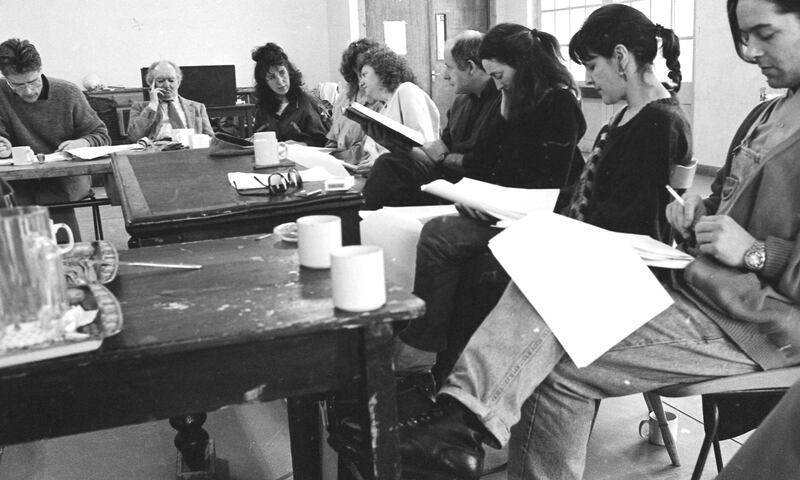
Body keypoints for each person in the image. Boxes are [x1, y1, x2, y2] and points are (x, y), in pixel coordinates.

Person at [397, 1, 800, 479]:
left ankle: (459, 422)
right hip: (702, 288)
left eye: (765, 34)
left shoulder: (668, 119)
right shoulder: (768, 112)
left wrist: (755, 252)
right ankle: (460, 423)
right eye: (743, 37)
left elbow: (752, 245)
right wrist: (700, 213)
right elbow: (726, 202)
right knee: (546, 281)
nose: (750, 51)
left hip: (761, 322)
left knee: (556, 362)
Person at [393, 22, 596, 374]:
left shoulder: (558, 101)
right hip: (506, 206)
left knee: (439, 236)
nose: (496, 83)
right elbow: (486, 160)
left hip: (538, 214)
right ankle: (427, 340)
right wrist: (474, 193)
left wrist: (491, 198)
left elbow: (546, 183)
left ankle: (426, 341)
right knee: (437, 229)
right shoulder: (513, 98)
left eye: (499, 75)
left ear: (523, 66)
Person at [362, 30, 502, 209]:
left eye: (449, 67)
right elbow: (434, 157)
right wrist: (394, 145)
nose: (445, 75)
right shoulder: (461, 102)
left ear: (471, 67)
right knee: (390, 163)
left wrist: (443, 158)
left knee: (387, 169)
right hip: (447, 180)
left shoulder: (501, 102)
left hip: (476, 188)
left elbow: (477, 164)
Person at [0, 38, 110, 241]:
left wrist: (83, 142)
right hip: (20, 178)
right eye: (18, 85)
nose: (29, 91)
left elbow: (102, 135)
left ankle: (67, 259)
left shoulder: (68, 92)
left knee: (51, 197)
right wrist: (3, 146)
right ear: (5, 78)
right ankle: (24, 261)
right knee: (10, 201)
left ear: (41, 69)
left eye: (33, 81)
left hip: (65, 176)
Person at [355, 45, 440, 174]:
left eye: (364, 75)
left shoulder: (406, 91)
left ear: (381, 70)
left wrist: (378, 161)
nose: (361, 83)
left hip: (410, 175)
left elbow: (426, 151)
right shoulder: (383, 109)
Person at [251, 42, 328, 146]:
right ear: (265, 82)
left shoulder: (307, 102)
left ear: (289, 72)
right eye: (272, 77)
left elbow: (325, 141)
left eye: (282, 72)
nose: (280, 81)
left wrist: (302, 145)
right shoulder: (262, 108)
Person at [325, 38, 384, 166]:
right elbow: (333, 140)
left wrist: (334, 158)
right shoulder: (345, 97)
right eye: (359, 71)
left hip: (361, 168)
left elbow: (366, 152)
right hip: (339, 165)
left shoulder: (382, 103)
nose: (363, 79)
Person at [126, 60, 214, 142]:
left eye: (171, 80)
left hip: (189, 151)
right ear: (151, 84)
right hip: (157, 151)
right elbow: (134, 136)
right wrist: (153, 105)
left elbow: (210, 137)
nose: (167, 85)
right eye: (160, 81)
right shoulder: (139, 107)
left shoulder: (198, 107)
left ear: (178, 82)